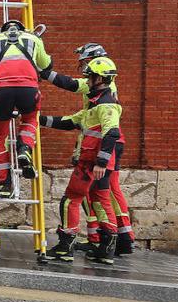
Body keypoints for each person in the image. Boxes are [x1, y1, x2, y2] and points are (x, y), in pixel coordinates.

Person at [42, 42, 135, 255]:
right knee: (98, 195)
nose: (85, 73)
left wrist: (44, 73)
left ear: (99, 77)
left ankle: (120, 239)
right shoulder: (98, 98)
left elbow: (71, 84)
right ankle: (102, 242)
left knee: (101, 192)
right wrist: (39, 119)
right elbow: (73, 121)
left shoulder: (104, 98)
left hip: (101, 150)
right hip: (96, 147)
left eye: (88, 68)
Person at [0, 19, 52, 196]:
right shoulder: (34, 40)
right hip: (28, 89)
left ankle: (4, 184)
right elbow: (46, 65)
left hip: (1, 91)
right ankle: (24, 149)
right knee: (30, 119)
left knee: (0, 136)